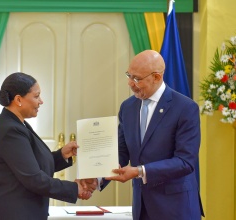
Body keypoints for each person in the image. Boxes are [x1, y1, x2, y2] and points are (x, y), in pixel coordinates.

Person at [84, 50, 204, 220]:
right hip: (142, 208)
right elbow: (121, 151)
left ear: (156, 77)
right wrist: (98, 176)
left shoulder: (185, 108)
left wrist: (139, 171)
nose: (129, 83)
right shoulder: (127, 107)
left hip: (177, 208)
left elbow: (185, 162)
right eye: (128, 75)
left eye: (136, 78)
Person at [0, 72, 92, 220]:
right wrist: (74, 188)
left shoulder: (17, 124)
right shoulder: (11, 130)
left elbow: (32, 165)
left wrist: (61, 155)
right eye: (36, 96)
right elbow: (34, 179)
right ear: (18, 99)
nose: (41, 101)